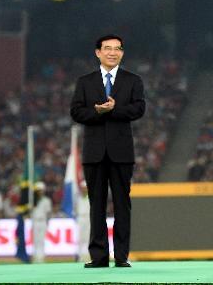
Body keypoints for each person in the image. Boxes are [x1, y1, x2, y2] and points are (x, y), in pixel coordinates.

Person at [70, 34, 146, 268]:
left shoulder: (133, 80)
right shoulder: (85, 81)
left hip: (122, 153)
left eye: (117, 49)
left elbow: (139, 109)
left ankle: (122, 256)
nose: (113, 52)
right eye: (108, 48)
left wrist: (113, 110)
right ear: (98, 52)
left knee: (123, 204)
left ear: (122, 53)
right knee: (97, 205)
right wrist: (97, 112)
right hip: (94, 153)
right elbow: (76, 112)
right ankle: (99, 256)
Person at [31, 181, 52, 263]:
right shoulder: (32, 200)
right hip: (35, 221)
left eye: (41, 190)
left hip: (43, 221)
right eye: (39, 190)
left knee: (42, 240)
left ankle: (41, 257)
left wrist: (47, 222)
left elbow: (48, 213)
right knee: (35, 240)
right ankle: (35, 257)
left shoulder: (47, 200)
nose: (40, 192)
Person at [77, 181, 91, 263]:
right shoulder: (78, 198)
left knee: (88, 237)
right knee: (80, 238)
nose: (84, 190)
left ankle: (88, 256)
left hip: (88, 218)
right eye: (83, 188)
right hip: (80, 218)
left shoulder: (91, 197)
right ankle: (80, 256)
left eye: (85, 188)